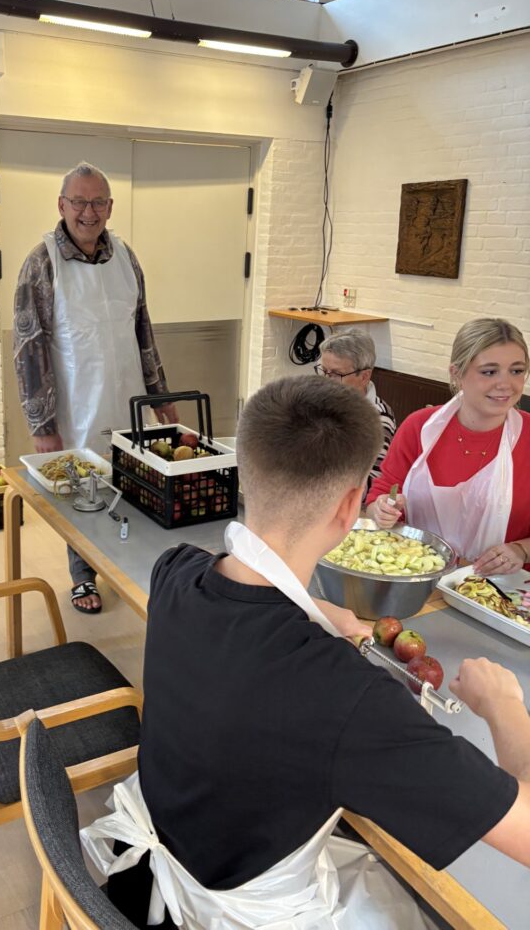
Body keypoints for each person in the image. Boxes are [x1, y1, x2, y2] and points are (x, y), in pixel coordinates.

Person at [82, 376, 530, 930]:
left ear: (245, 471)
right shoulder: (351, 699)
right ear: (351, 507)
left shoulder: (174, 572)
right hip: (235, 909)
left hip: (172, 848)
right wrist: (505, 707)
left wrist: (320, 611)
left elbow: (239, 583)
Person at [14, 161, 178, 614]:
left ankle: (130, 564)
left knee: (134, 480)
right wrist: (41, 424)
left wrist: (160, 395)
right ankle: (82, 574)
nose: (89, 212)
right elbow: (28, 347)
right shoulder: (42, 261)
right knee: (83, 491)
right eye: (79, 202)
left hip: (128, 395)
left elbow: (142, 328)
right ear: (61, 205)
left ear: (110, 206)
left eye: (98, 202)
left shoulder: (125, 256)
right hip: (74, 403)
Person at [366, 318, 530, 575]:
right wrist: (381, 509)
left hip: (502, 587)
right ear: (457, 373)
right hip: (417, 575)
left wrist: (522, 550)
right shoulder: (420, 427)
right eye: (489, 372)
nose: (505, 384)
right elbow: (382, 492)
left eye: (517, 371)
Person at [316, 328, 396, 499]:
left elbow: (374, 484)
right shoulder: (318, 401)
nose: (326, 381)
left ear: (364, 377)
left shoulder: (379, 420)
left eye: (336, 374)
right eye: (323, 371)